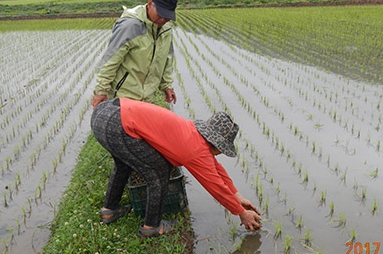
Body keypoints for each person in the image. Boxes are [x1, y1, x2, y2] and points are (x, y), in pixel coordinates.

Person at [91, 98, 262, 237]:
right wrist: (241, 213)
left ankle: (109, 210)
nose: (220, 154)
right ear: (216, 143)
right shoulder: (197, 151)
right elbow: (216, 186)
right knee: (158, 172)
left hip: (105, 113)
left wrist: (238, 196)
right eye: (222, 149)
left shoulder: (193, 135)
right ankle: (151, 226)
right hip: (118, 124)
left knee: (123, 164)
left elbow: (216, 170)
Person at [91, 0, 178, 109]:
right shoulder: (130, 26)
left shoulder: (166, 28)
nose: (163, 20)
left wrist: (166, 86)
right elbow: (111, 60)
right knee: (123, 128)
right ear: (149, 4)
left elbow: (167, 58)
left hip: (147, 97)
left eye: (168, 16)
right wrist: (101, 91)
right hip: (123, 97)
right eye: (161, 14)